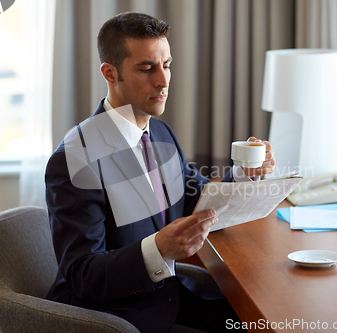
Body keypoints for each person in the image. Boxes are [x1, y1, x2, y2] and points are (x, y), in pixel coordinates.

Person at [45, 12, 276, 333]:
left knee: (266, 321)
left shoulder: (161, 134)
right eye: (146, 68)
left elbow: (195, 198)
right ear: (110, 73)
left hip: (169, 295)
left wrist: (245, 173)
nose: (163, 80)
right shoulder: (75, 159)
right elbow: (83, 275)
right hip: (116, 316)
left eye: (166, 65)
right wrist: (158, 249)